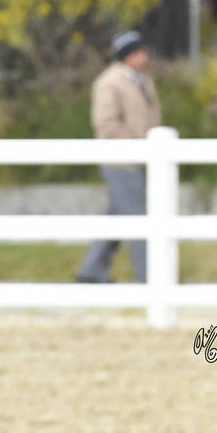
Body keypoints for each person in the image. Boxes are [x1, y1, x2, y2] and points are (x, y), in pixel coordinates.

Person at [76, 30, 161, 283]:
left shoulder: (143, 80)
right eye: (139, 51)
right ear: (128, 55)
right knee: (137, 218)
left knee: (116, 217)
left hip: (139, 159)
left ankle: (91, 269)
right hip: (120, 160)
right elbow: (106, 123)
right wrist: (137, 144)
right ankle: (150, 277)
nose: (144, 55)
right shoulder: (109, 82)